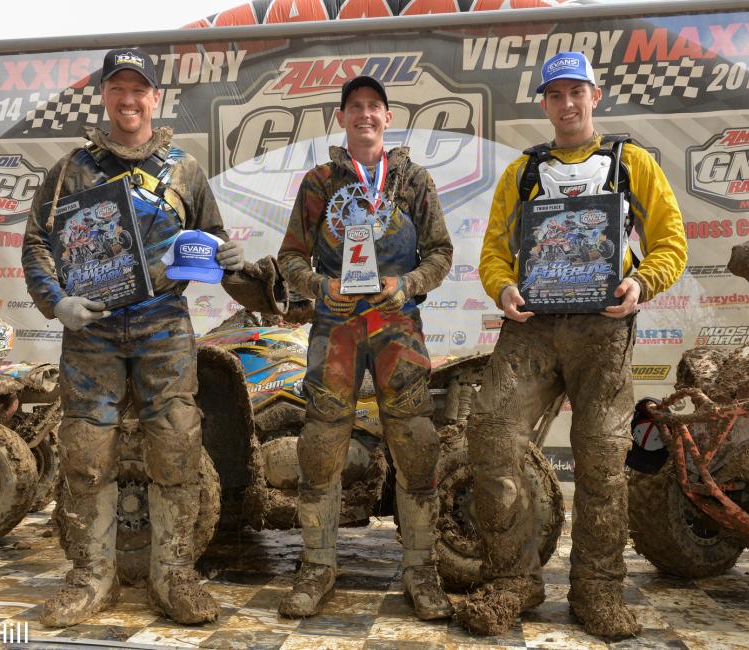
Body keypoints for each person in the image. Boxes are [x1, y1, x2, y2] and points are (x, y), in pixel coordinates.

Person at [456, 51, 687, 639]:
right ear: (544, 103)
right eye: (555, 95)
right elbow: (493, 252)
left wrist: (641, 282)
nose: (567, 104)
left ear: (594, 95)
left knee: (604, 458)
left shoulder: (630, 161)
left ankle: (597, 589)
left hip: (602, 330)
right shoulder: (524, 171)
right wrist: (503, 288)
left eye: (575, 92)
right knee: (491, 435)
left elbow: (670, 242)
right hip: (531, 327)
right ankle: (513, 579)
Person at [22, 47, 244, 627]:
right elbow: (37, 244)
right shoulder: (70, 170)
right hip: (91, 333)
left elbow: (209, 240)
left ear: (153, 98)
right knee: (85, 452)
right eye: (117, 88)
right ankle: (89, 577)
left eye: (138, 89)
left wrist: (228, 255)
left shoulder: (184, 168)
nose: (128, 99)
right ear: (105, 96)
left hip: (162, 326)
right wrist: (57, 301)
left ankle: (174, 575)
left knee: (176, 444)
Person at [276, 75, 454, 620]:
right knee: (322, 441)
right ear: (342, 117)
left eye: (374, 107)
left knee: (417, 443)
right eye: (355, 107)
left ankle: (421, 571)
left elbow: (441, 254)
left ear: (387, 117)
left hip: (398, 326)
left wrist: (406, 285)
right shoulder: (320, 182)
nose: (365, 115)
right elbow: (289, 260)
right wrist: (318, 287)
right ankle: (316, 566)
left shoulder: (413, 181)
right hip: (336, 329)